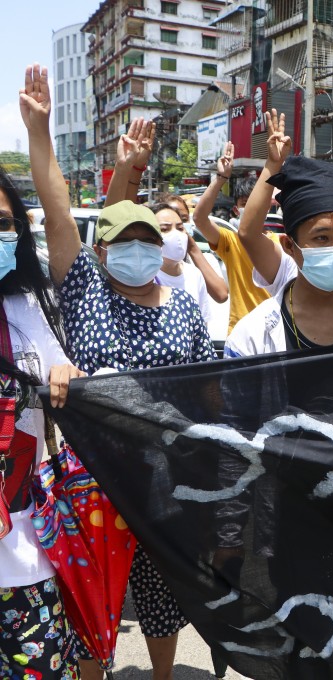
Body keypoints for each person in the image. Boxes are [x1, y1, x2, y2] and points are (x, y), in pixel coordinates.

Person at [25, 64, 214, 680]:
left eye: (147, 238)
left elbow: (207, 389)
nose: (138, 248)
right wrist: (40, 133)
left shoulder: (183, 306)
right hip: (91, 479)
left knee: (161, 598)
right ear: (100, 250)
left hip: (163, 478)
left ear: (161, 247)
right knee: (91, 599)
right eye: (123, 240)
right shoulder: (85, 290)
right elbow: (57, 210)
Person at [1, 68, 88, 680]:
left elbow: (63, 228)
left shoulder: (31, 307)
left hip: (24, 554)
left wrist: (39, 136)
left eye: (4, 224)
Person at [224, 117, 333, 356]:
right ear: (289, 245)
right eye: (322, 238)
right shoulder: (252, 337)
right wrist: (272, 166)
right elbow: (248, 234)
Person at [192, 142, 276, 333]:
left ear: (267, 207)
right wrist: (221, 178)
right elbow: (199, 218)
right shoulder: (230, 241)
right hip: (240, 333)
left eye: (256, 202)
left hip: (275, 333)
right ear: (237, 210)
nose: (252, 208)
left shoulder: (281, 243)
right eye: (246, 203)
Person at [154, 192, 229, 306]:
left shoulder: (199, 267)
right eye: (165, 228)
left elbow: (221, 294)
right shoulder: (149, 273)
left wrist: (193, 249)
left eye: (182, 223)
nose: (175, 232)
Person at [150, 202, 215, 326]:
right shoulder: (145, 278)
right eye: (164, 229)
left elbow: (202, 326)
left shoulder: (194, 274)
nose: (176, 235)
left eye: (180, 228)